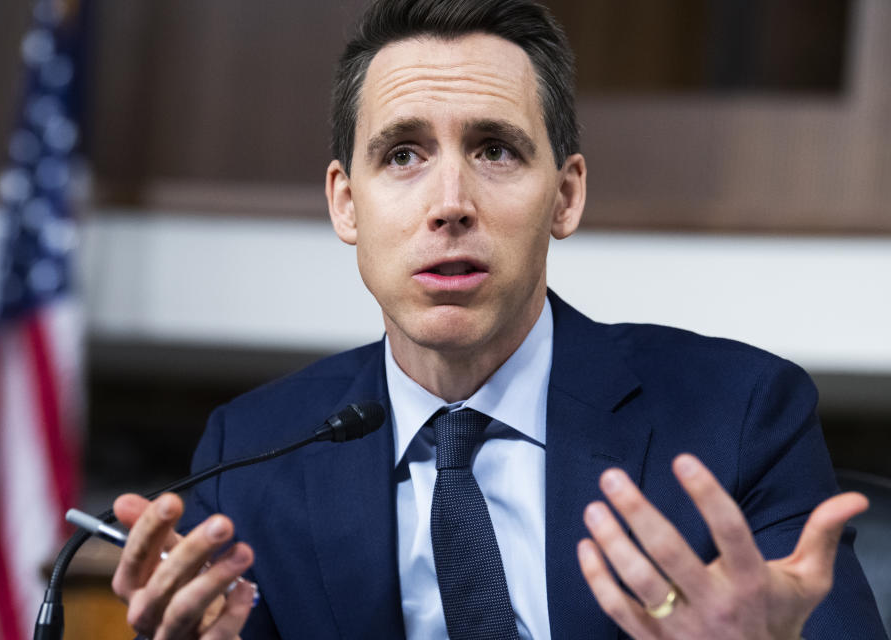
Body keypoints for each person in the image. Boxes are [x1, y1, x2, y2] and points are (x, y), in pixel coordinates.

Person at [109, 1, 888, 638]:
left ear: (567, 195)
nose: (450, 204)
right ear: (347, 202)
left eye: (495, 151)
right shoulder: (251, 456)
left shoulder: (739, 415)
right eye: (404, 155)